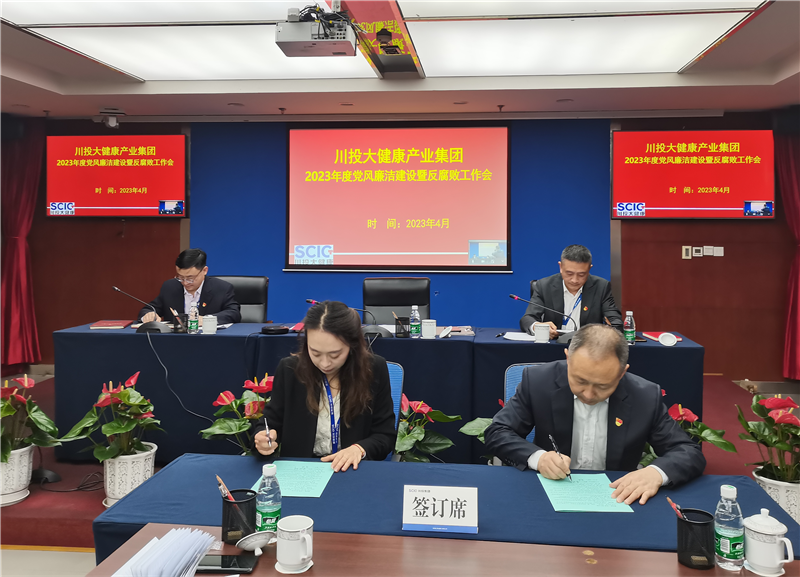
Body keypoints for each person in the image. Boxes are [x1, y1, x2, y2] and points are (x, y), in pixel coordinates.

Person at [484, 324, 705, 505]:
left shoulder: (645, 396)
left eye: (603, 386)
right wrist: (539, 458)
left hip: (616, 496)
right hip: (549, 492)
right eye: (580, 381)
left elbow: (688, 451)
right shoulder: (538, 382)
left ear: (622, 373)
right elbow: (498, 432)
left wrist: (656, 473)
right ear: (568, 359)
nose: (588, 394)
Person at [253, 300, 396, 471]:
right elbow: (268, 424)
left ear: (352, 345)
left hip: (352, 469)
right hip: (301, 470)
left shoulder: (373, 369)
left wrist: (359, 449)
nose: (325, 363)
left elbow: (385, 435)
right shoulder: (290, 370)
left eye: (335, 354)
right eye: (315, 353)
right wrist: (263, 438)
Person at [520, 244, 622, 339]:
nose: (574, 280)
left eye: (581, 274)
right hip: (554, 343)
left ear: (589, 269)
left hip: (587, 346)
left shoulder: (601, 287)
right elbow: (527, 319)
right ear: (560, 267)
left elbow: (615, 321)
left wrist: (611, 327)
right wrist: (537, 326)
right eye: (569, 273)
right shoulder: (544, 286)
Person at [138, 248, 241, 325]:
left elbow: (234, 313)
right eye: (180, 277)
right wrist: (149, 314)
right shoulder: (170, 287)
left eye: (190, 278)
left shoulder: (221, 288)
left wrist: (207, 320)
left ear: (204, 270)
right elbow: (148, 309)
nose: (185, 282)